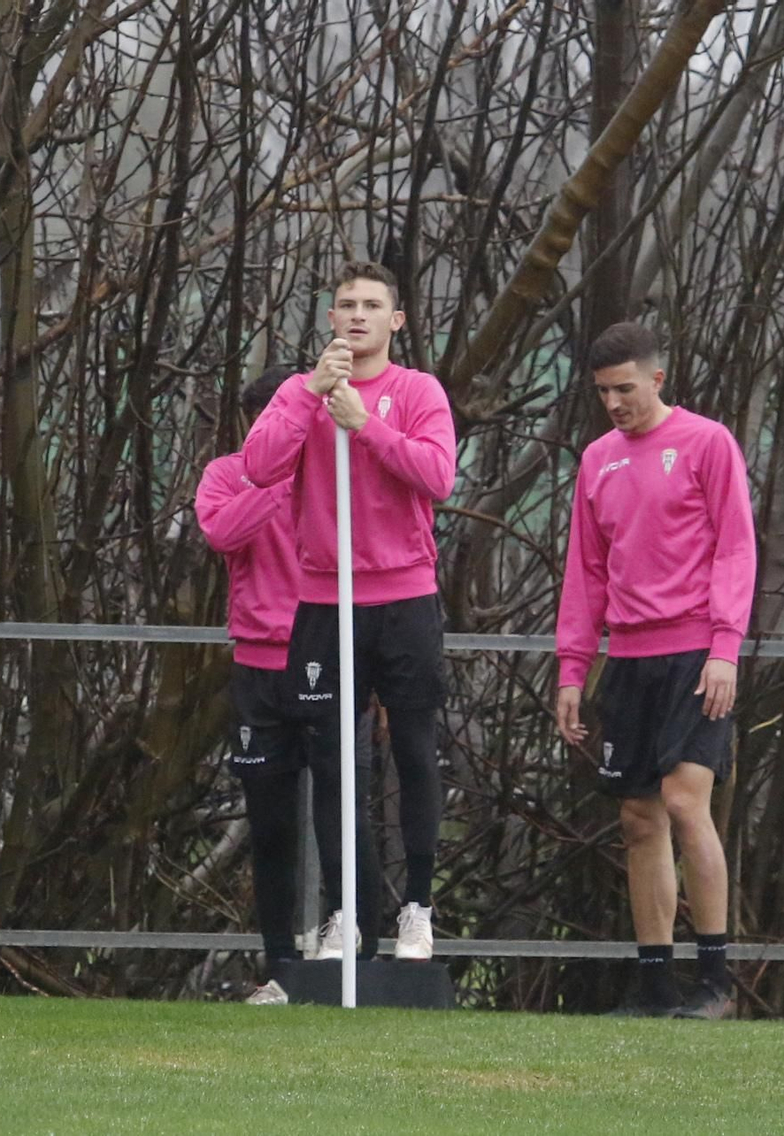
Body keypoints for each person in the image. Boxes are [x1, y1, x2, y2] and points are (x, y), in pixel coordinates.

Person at [242, 260, 456, 961]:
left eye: (372, 305)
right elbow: (259, 465)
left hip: (403, 595)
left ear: (396, 320)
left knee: (416, 751)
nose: (357, 315)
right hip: (324, 599)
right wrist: (312, 396)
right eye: (345, 305)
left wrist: (365, 426)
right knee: (335, 760)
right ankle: (344, 914)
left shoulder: (418, 391)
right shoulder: (306, 395)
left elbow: (437, 477)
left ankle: (417, 909)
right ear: (330, 319)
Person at [554, 321, 756, 1018]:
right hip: (628, 661)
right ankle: (654, 989)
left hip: (696, 655)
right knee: (639, 820)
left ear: (657, 380)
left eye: (626, 388)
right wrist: (573, 670)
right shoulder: (596, 461)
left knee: (683, 803)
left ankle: (715, 982)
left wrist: (726, 647)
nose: (615, 403)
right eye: (604, 392)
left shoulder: (706, 443)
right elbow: (584, 573)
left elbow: (735, 548)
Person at [196, 368, 373, 1003]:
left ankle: (350, 948)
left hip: (325, 655)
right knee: (269, 826)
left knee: (341, 811)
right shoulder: (227, 474)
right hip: (255, 666)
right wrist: (272, 483)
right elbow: (220, 532)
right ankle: (278, 965)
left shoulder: (334, 476)